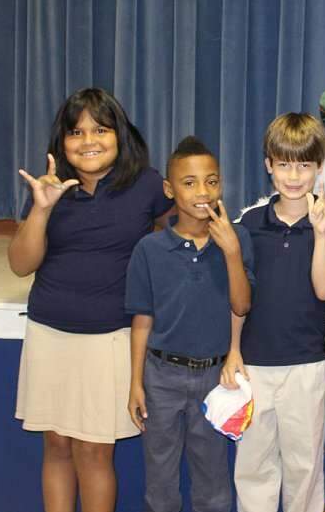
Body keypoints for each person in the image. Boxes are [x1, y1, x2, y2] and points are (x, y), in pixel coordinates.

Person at [10, 88, 172, 512]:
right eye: (76, 132)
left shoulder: (148, 185)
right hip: (49, 333)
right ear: (62, 142)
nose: (88, 141)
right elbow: (20, 264)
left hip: (110, 338)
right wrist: (42, 208)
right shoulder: (50, 189)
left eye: (100, 129)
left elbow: (183, 229)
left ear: (119, 135)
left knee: (95, 452)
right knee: (57, 445)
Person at [228, 113, 325, 512]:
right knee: (254, 469)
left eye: (304, 165)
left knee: (305, 469)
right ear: (269, 165)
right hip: (254, 367)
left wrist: (320, 233)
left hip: (305, 368)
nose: (294, 175)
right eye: (284, 164)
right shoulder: (249, 223)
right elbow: (237, 298)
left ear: (319, 168)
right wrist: (232, 351)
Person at [125, 136, 254, 512]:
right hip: (161, 375)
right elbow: (142, 319)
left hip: (215, 378)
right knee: (160, 483)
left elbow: (242, 304)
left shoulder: (238, 238)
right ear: (169, 189)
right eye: (190, 182)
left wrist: (231, 251)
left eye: (212, 181)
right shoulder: (148, 249)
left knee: (212, 484)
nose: (203, 191)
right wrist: (135, 382)